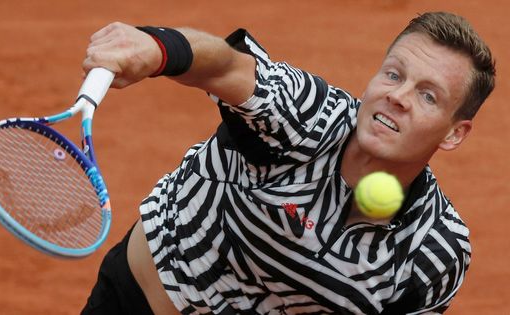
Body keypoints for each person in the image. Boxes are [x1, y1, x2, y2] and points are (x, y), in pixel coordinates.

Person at [80, 11, 495, 315]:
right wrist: (156, 47)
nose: (398, 96)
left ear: (454, 133)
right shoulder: (307, 115)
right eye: (393, 74)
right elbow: (227, 64)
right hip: (136, 298)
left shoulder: (435, 251)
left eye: (428, 96)